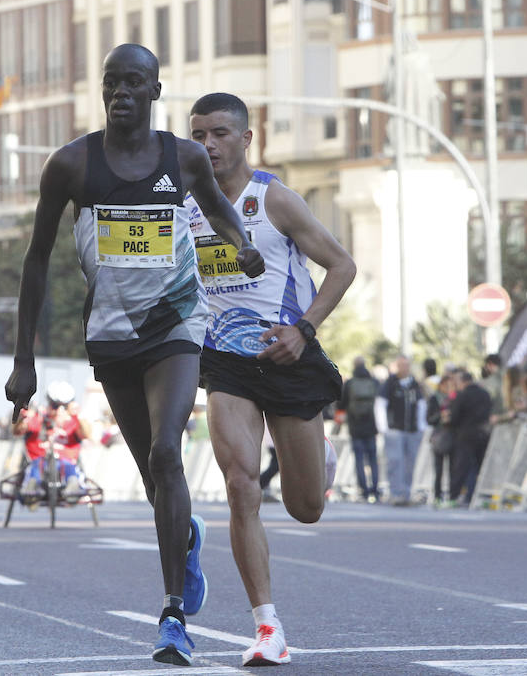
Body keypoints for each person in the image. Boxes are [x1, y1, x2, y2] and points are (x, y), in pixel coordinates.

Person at [4, 45, 264, 666]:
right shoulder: (70, 164)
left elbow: (218, 208)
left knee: (167, 450)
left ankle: (173, 614)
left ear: (155, 91)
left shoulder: (185, 156)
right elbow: (36, 260)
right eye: (111, 84)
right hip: (112, 333)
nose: (121, 94)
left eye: (134, 84)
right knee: (156, 481)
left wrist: (241, 242)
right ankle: (186, 537)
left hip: (176, 322)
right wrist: (24, 360)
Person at [187, 92, 354, 667]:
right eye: (199, 135)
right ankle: (267, 627)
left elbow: (342, 265)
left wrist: (303, 331)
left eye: (219, 134)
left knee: (305, 506)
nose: (208, 144)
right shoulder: (188, 204)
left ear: (245, 139)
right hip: (224, 360)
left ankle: (319, 458)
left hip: (287, 355)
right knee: (240, 486)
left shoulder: (273, 199)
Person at [15, 381, 89, 506]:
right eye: (55, 406)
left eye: (64, 407)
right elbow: (17, 430)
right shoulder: (38, 418)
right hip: (40, 461)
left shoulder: (74, 421)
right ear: (49, 404)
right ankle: (33, 486)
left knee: (70, 466)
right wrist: (22, 416)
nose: (59, 410)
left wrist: (77, 416)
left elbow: (86, 434)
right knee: (36, 466)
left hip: (66, 462)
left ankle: (73, 486)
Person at [374, 355, 427, 506]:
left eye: (406, 365)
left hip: (412, 429)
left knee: (410, 462)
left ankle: (406, 493)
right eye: (401, 365)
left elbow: (421, 404)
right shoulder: (390, 384)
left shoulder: (414, 384)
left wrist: (421, 426)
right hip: (394, 429)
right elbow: (380, 404)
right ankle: (396, 493)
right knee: (395, 461)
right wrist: (383, 427)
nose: (405, 368)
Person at [337, 356, 380, 503]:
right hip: (371, 425)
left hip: (355, 426)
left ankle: (364, 490)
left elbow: (341, 404)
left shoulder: (350, 383)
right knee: (373, 459)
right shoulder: (373, 382)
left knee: (359, 458)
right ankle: (375, 488)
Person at [447, 370, 492, 506]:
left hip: (465, 434)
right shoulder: (485, 394)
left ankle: (454, 496)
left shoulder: (462, 395)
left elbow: (454, 417)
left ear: (463, 382)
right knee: (479, 467)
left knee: (462, 466)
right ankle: (475, 495)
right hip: (482, 433)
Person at [425, 374, 455, 505]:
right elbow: (429, 419)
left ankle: (451, 495)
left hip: (453, 435)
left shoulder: (455, 398)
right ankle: (437, 495)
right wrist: (440, 416)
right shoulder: (434, 398)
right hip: (439, 436)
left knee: (453, 468)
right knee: (438, 469)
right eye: (447, 385)